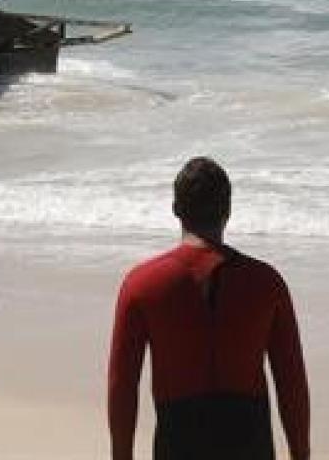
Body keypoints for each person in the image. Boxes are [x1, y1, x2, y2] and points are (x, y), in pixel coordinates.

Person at [107, 157, 310, 460]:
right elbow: (291, 381)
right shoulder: (266, 283)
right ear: (228, 210)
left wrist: (121, 455)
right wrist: (300, 453)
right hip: (249, 443)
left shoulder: (141, 285)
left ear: (176, 209)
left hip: (178, 443)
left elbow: (122, 385)